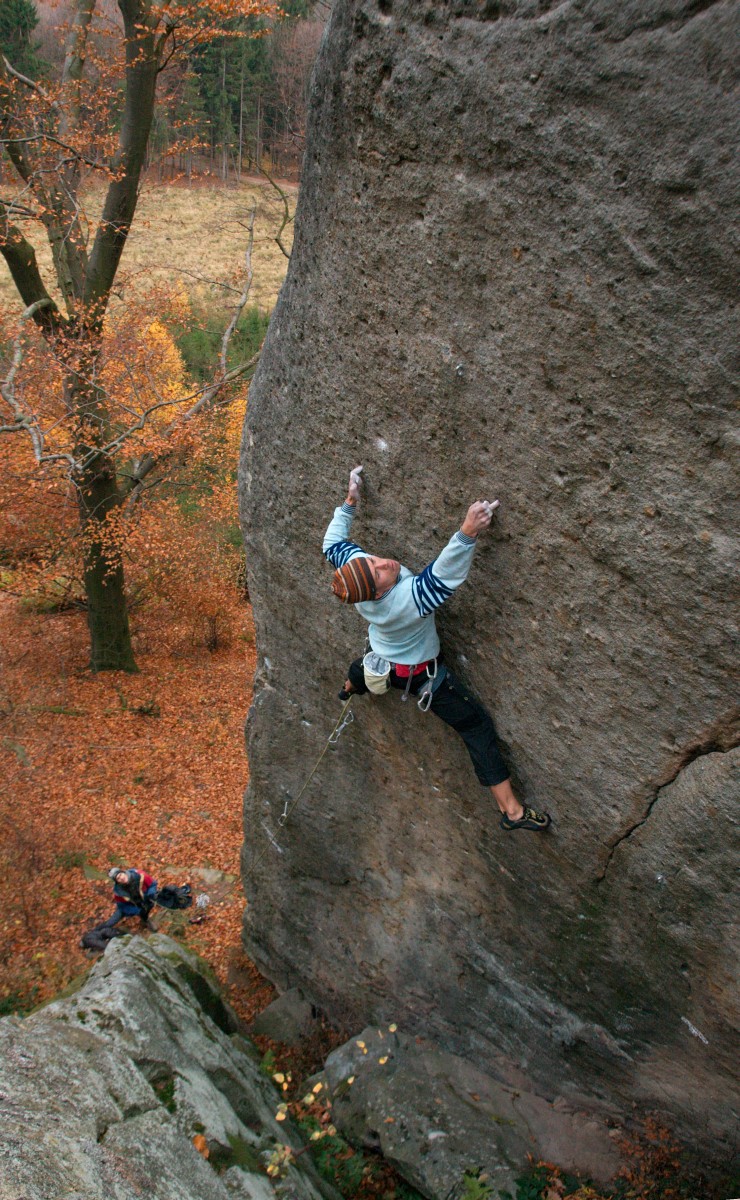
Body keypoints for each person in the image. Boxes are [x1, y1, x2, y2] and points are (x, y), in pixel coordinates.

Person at [323, 466, 551, 832]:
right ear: (379, 593)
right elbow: (443, 576)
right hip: (423, 677)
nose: (385, 563)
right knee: (476, 726)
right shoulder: (407, 600)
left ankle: (350, 687)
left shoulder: (356, 576)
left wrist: (350, 501)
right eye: (381, 572)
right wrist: (468, 531)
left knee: (359, 671)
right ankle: (513, 813)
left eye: (373, 560)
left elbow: (332, 544)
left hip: (381, 657)